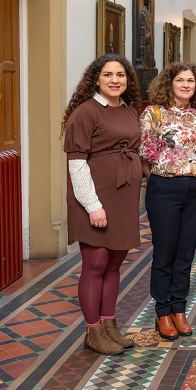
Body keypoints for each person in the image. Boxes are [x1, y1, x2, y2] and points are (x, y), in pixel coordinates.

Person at [61, 54, 144, 355]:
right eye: (108, 74)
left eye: (120, 75)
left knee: (114, 263)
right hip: (95, 198)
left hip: (123, 198)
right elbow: (77, 164)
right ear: (96, 79)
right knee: (95, 263)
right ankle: (93, 331)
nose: (114, 80)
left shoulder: (129, 110)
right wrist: (92, 205)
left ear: (127, 80)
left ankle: (109, 325)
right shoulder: (85, 112)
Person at [139, 62, 196, 340]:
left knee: (186, 252)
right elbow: (145, 155)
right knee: (165, 253)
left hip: (194, 189)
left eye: (190, 81)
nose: (185, 85)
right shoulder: (154, 113)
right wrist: (161, 178)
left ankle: (179, 308)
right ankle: (163, 311)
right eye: (180, 80)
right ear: (169, 83)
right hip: (164, 188)